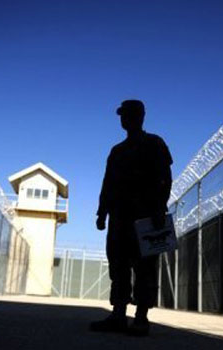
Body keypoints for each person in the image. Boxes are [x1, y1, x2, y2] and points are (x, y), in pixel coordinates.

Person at [89, 99, 173, 336]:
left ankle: (141, 318)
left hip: (145, 216)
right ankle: (118, 315)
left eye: (129, 114)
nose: (125, 119)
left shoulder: (154, 143)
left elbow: (165, 178)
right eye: (123, 115)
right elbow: (108, 184)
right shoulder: (117, 151)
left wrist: (159, 207)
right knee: (119, 266)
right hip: (120, 217)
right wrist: (102, 212)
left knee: (145, 267)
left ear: (141, 116)